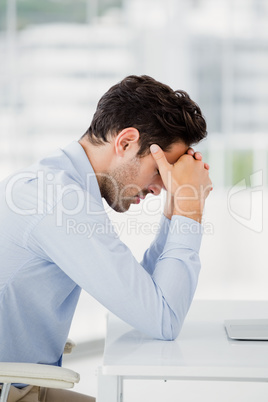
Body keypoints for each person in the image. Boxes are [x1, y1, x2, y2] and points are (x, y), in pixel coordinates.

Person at [0, 75, 212, 401]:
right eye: (160, 171)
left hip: (23, 383)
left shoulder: (63, 186)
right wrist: (190, 207)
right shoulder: (60, 203)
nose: (161, 187)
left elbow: (146, 297)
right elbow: (162, 319)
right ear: (125, 142)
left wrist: (175, 209)